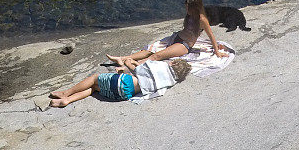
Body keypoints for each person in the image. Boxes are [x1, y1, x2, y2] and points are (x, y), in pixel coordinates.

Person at [107, 0, 228, 66]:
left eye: (188, 8)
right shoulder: (190, 15)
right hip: (176, 37)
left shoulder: (202, 19)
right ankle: (122, 58)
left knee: (157, 56)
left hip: (184, 45)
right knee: (150, 50)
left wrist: (216, 51)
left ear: (195, 8)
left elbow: (211, 35)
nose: (186, 10)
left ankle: (133, 64)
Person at [49, 58, 192, 108]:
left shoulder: (161, 67)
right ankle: (67, 101)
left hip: (124, 81)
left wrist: (129, 64)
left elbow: (140, 71)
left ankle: (65, 93)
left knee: (94, 79)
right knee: (94, 89)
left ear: (173, 63)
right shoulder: (168, 82)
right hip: (125, 94)